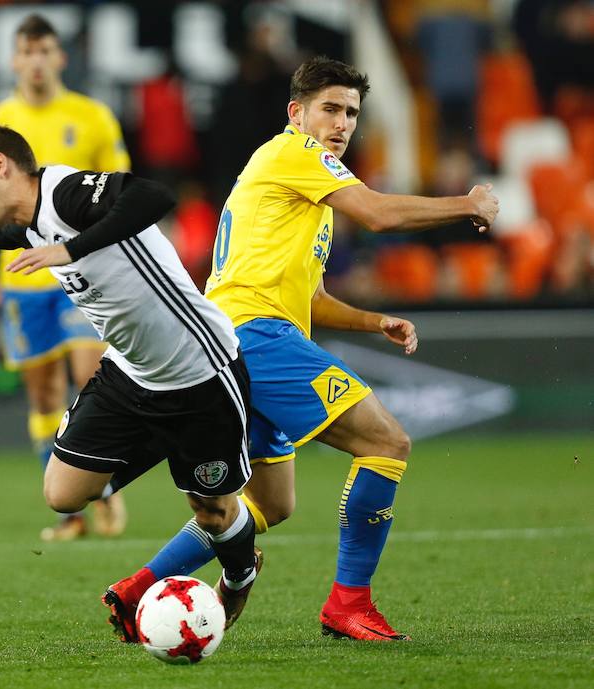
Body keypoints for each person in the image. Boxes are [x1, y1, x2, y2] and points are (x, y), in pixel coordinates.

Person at [103, 55, 500, 642]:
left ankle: (136, 588)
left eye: (352, 113)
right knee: (386, 441)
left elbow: (308, 297)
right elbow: (379, 213)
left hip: (237, 336)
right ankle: (348, 604)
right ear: (298, 113)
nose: (342, 124)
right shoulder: (296, 153)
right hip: (256, 335)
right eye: (331, 110)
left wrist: (373, 320)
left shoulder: (306, 190)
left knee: (270, 502)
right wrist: (465, 204)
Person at [0, 112, 262, 628]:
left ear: (1, 166)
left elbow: (155, 197)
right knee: (62, 495)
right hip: (131, 374)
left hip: (201, 371)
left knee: (213, 512)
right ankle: (170, 441)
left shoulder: (66, 192)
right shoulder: (27, 222)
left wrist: (70, 247)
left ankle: (239, 576)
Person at [0, 14, 131, 542]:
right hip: (20, 277)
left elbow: (121, 192)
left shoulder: (93, 117)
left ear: (60, 57)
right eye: (27, 52)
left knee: (89, 375)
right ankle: (71, 514)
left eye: (45, 51)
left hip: (82, 273)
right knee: (41, 394)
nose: (36, 61)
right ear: (13, 60)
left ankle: (103, 487)